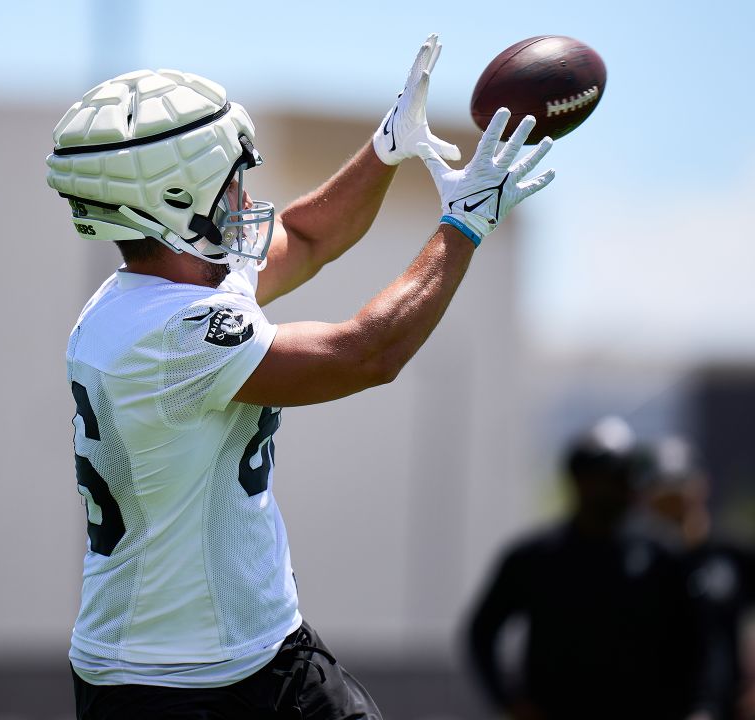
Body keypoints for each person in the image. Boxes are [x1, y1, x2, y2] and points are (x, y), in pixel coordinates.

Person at [45, 35, 555, 719]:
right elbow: (365, 355)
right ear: (173, 194)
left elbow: (308, 238)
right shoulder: (172, 333)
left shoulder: (166, 287)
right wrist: (463, 225)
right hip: (175, 684)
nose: (245, 193)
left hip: (257, 651)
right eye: (230, 177)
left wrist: (385, 149)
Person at [465, 417, 703, 720]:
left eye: (620, 478)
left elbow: (697, 644)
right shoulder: (535, 557)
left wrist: (696, 707)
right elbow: (482, 632)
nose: (609, 489)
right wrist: (509, 701)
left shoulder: (662, 558)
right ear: (576, 479)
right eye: (598, 477)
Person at [642, 436, 755, 720]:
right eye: (664, 495)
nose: (675, 503)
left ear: (701, 485)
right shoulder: (641, 562)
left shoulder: (732, 556)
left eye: (680, 490)